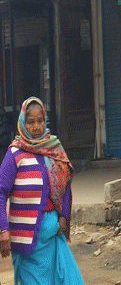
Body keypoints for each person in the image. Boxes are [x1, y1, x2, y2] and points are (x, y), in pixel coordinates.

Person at [0, 97, 84, 285]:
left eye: (40, 121)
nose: (36, 127)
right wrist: (3, 229)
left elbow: (65, 185)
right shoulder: (14, 154)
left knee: (69, 280)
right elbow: (0, 191)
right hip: (26, 241)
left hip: (53, 236)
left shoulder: (54, 149)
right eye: (31, 122)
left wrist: (63, 215)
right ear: (23, 122)